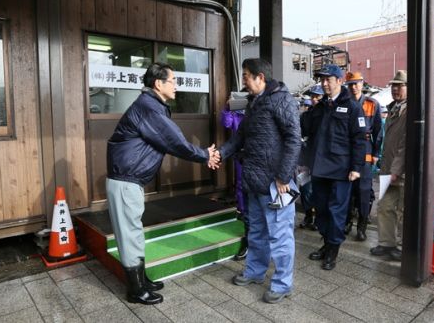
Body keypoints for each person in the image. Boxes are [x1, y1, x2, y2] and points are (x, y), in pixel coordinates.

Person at [106, 62, 220, 305]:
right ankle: (135, 290)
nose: (176, 86)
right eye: (173, 81)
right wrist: (204, 155)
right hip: (125, 181)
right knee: (130, 235)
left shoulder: (151, 105)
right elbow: (174, 141)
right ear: (158, 84)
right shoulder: (149, 108)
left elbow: (170, 139)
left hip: (129, 180)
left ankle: (141, 280)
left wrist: (202, 154)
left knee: (133, 232)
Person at [218, 58, 301, 304]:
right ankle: (254, 271)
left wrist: (284, 176)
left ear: (260, 77)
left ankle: (283, 283)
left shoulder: (282, 99)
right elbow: (240, 137)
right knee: (257, 231)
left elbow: (294, 139)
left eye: (246, 75)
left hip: (276, 183)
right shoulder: (253, 102)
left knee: (280, 236)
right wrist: (219, 155)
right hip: (255, 181)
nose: (243, 79)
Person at [305, 64, 367, 270]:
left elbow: (359, 139)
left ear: (339, 81)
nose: (324, 84)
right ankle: (326, 242)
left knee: (336, 211)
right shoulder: (320, 106)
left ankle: (333, 250)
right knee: (321, 209)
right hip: (319, 168)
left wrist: (356, 167)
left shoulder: (352, 106)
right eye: (322, 80)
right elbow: (306, 130)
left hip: (341, 170)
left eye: (328, 80)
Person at [370, 70, 407, 262]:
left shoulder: (411, 110)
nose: (395, 89)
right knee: (384, 207)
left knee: (402, 211)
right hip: (388, 169)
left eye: (400, 85)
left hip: (401, 172)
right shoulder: (393, 109)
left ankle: (401, 247)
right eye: (393, 85)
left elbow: (406, 144)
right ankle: (386, 243)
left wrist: (395, 170)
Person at [343, 72, 382, 241]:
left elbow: (379, 131)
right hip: (346, 151)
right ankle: (347, 222)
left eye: (356, 83)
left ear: (361, 83)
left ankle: (362, 226)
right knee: (347, 191)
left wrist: (375, 153)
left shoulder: (372, 104)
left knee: (364, 192)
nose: (353, 87)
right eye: (350, 84)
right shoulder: (344, 102)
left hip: (365, 150)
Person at [221, 101, 249, 260]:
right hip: (239, 154)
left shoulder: (257, 111)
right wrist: (227, 108)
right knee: (240, 183)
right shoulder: (236, 113)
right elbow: (226, 123)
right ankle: (241, 210)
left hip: (255, 155)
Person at [299, 84, 324, 230]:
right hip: (307, 156)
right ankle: (308, 216)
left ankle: (317, 218)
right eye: (313, 96)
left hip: (322, 158)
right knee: (305, 187)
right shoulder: (305, 116)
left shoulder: (326, 114)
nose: (314, 99)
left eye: (317, 96)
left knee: (318, 190)